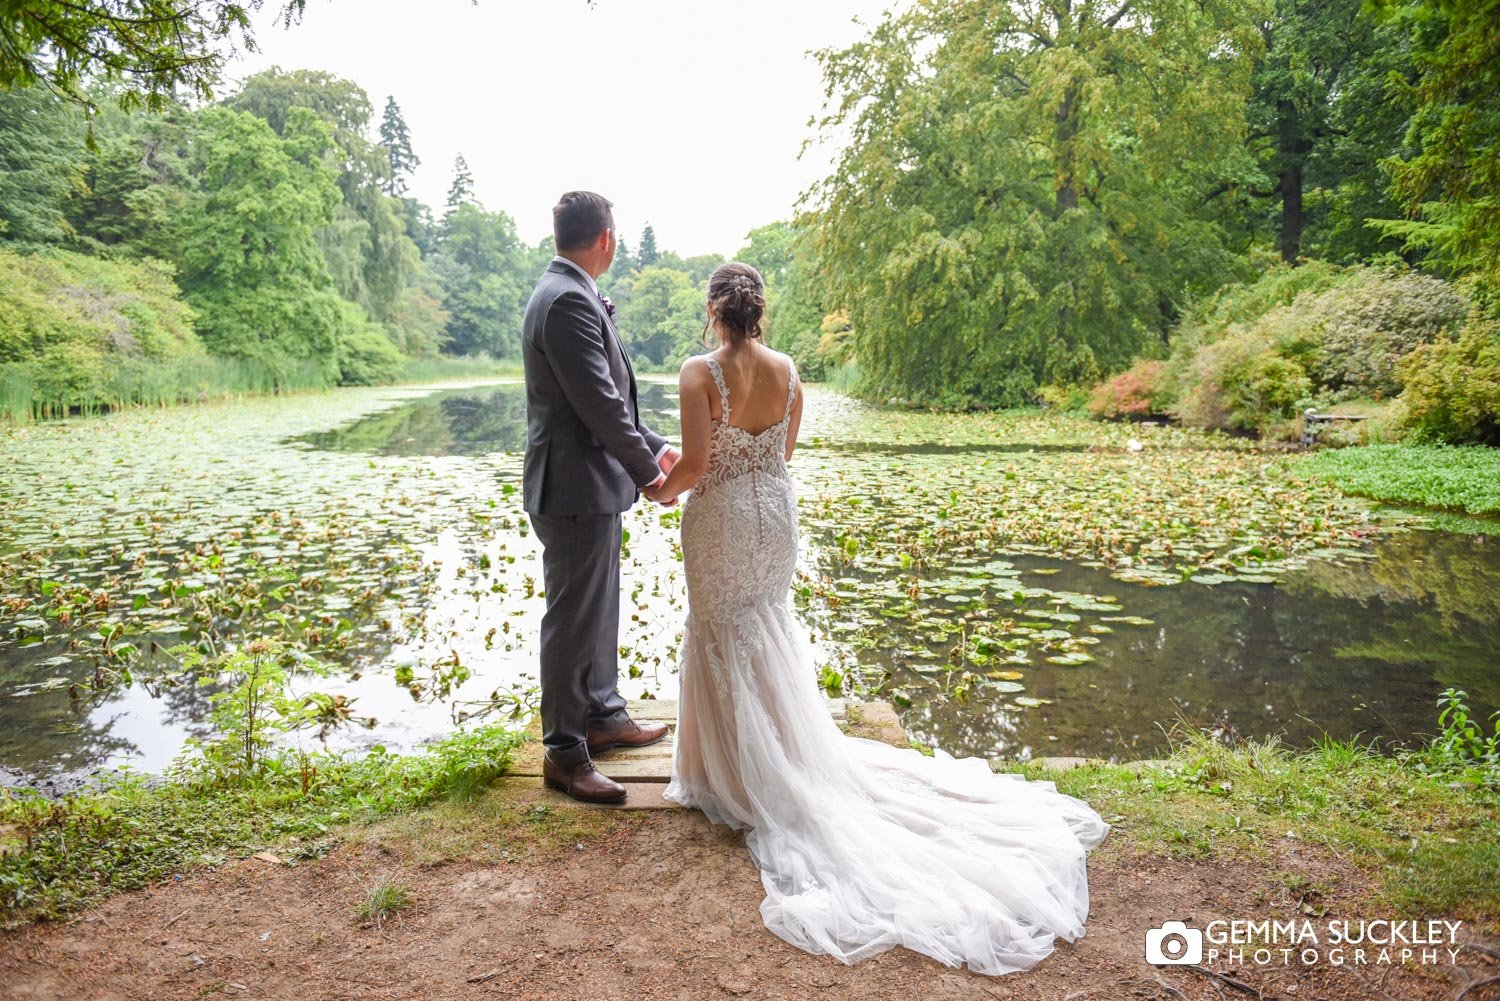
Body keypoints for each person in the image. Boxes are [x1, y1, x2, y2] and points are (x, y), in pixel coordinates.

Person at [651, 261, 1112, 975]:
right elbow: (780, 454)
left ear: (713, 312)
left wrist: (659, 485)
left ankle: (732, 772)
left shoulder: (698, 372)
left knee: (721, 627)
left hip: (723, 522)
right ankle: (783, 756)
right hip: (775, 516)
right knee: (765, 624)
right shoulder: (790, 369)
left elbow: (699, 467)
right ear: (759, 310)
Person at [520, 190, 680, 804]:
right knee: (571, 618)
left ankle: (602, 714)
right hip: (573, 487)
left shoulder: (568, 290)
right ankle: (564, 751)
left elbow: (608, 399)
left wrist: (657, 446)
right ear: (606, 238)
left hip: (588, 485)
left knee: (598, 606)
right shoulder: (565, 301)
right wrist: (650, 473)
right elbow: (599, 404)